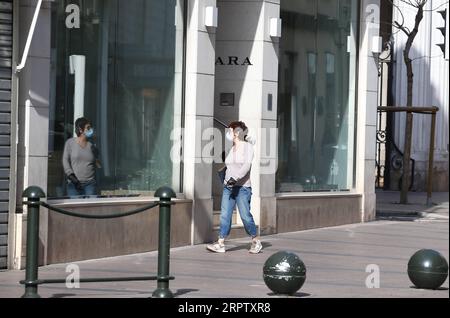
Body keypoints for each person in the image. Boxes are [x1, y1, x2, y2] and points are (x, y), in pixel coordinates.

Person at [207, 121, 262, 254]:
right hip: (228, 188)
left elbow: (246, 166)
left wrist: (234, 178)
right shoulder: (232, 148)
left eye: (230, 131)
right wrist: (226, 179)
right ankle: (220, 243)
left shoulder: (248, 147)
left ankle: (255, 240)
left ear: (237, 132)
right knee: (225, 215)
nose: (228, 133)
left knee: (245, 216)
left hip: (242, 188)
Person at [62, 117, 99, 197]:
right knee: (74, 208)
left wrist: (96, 153)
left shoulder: (92, 145)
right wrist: (72, 177)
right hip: (74, 184)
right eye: (88, 128)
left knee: (91, 208)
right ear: (80, 129)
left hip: (90, 184)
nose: (90, 130)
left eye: (91, 128)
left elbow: (98, 165)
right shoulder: (70, 143)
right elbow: (65, 161)